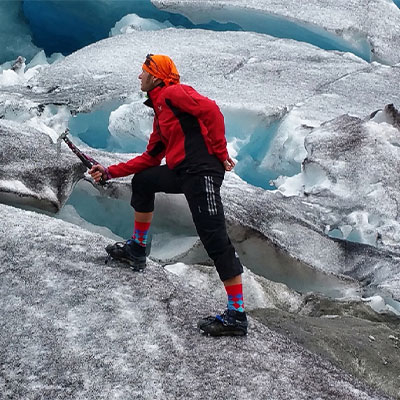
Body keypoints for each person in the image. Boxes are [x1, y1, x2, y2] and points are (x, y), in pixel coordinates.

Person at [89, 54, 247, 336]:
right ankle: (137, 249)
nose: (139, 77)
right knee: (145, 180)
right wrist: (110, 171)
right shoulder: (162, 112)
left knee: (214, 237)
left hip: (201, 172)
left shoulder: (175, 92)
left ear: (156, 77)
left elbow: (212, 111)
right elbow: (149, 158)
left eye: (144, 72)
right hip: (183, 172)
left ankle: (236, 314)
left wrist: (221, 155)